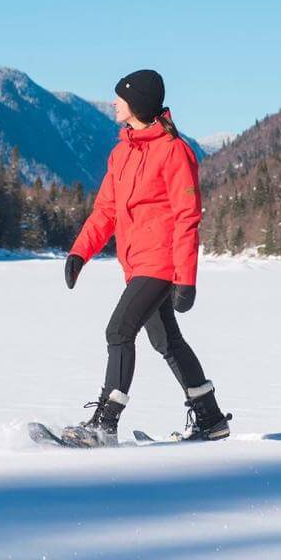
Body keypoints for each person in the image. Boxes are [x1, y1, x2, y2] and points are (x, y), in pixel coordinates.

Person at [60, 69, 231, 447]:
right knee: (166, 340)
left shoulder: (175, 152)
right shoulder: (121, 153)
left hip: (162, 262)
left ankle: (104, 425)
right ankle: (211, 418)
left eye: (120, 98)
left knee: (119, 331)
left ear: (137, 103)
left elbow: (188, 217)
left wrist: (186, 278)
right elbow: (105, 211)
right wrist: (79, 252)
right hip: (135, 263)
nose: (114, 103)